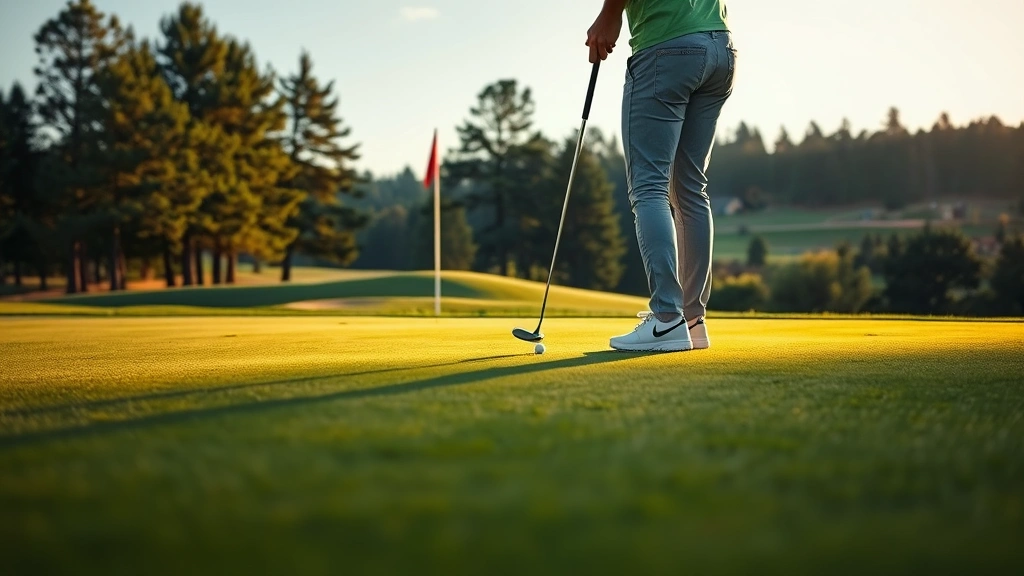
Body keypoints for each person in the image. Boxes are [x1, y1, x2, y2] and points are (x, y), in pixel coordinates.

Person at [587, 0, 735, 352]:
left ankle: (667, 319)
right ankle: (692, 321)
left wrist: (609, 14)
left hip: (666, 46)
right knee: (689, 189)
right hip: (720, 47)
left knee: (649, 186)